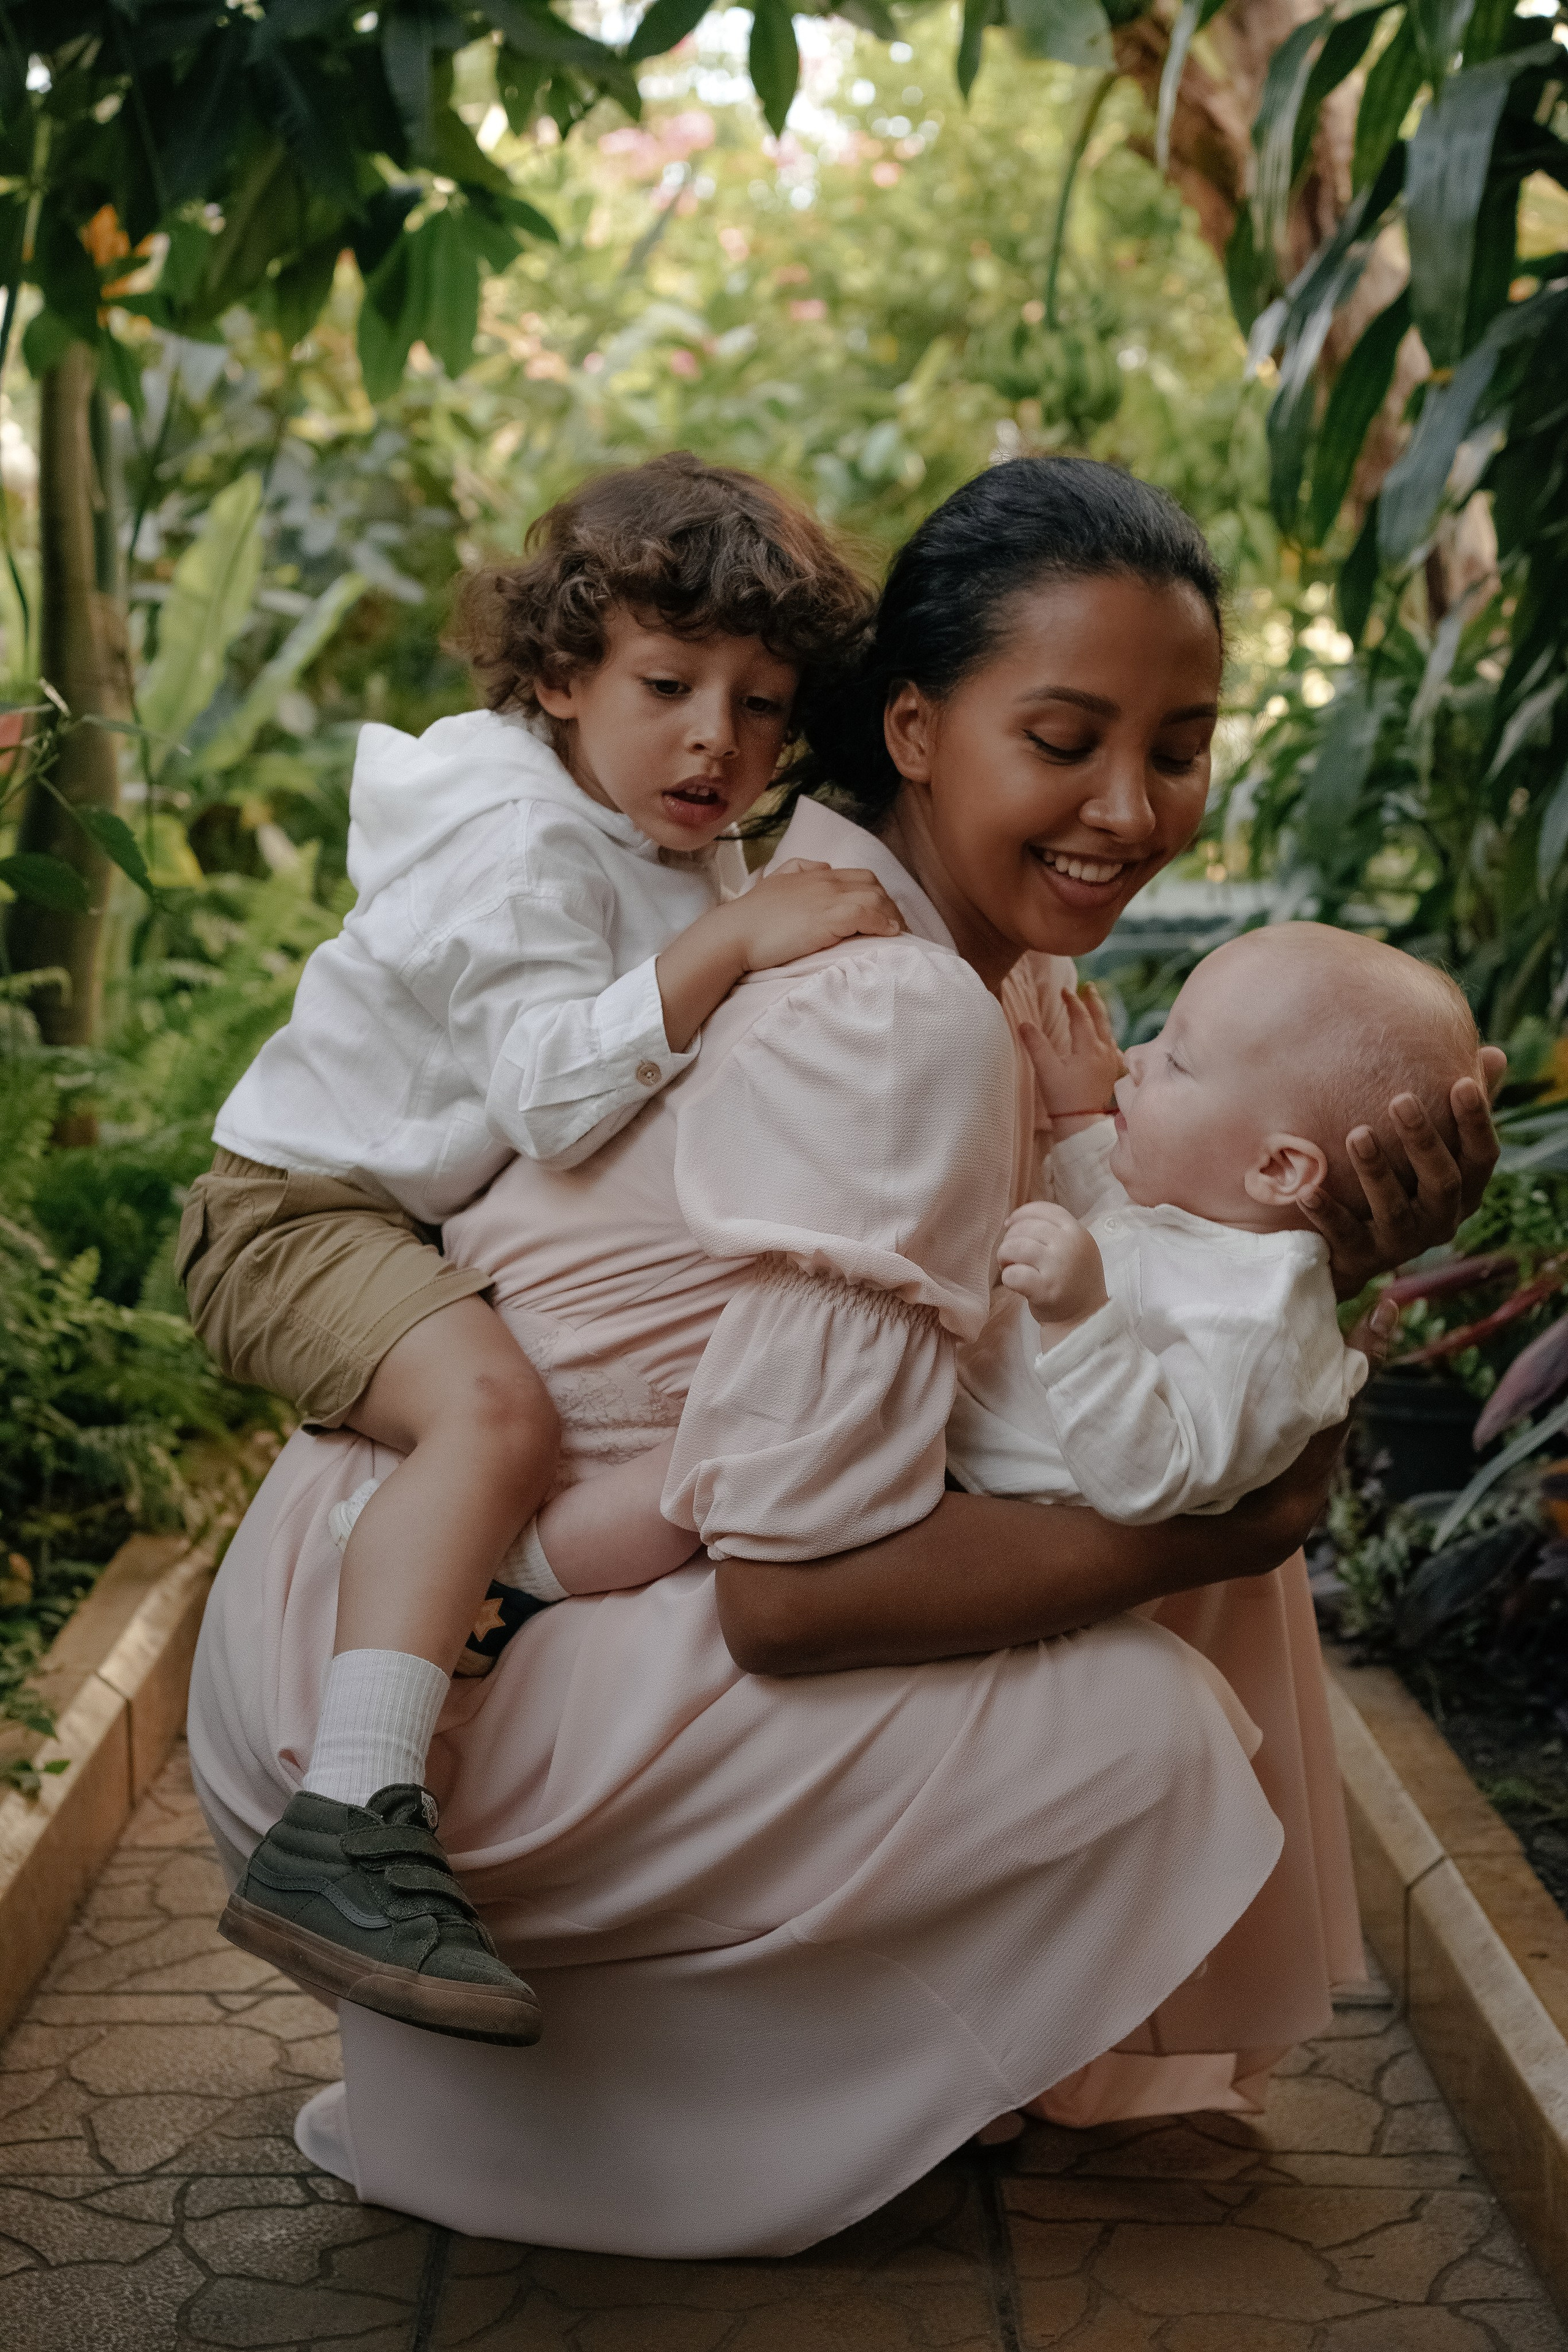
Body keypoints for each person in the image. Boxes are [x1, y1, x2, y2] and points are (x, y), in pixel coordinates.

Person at [187, 456, 1502, 2258]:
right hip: (431, 1667)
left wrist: (1305, 1256)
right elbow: (789, 1597)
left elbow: (1107, 1367)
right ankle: (609, 2134)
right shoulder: (889, 1010)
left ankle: (950, 2051)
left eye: (1178, 748)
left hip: (484, 1578)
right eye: (1062, 736)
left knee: (1163, 1451)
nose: (1132, 806)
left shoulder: (948, 964)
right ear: (909, 722)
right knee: (1153, 1722)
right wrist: (1231, 1526)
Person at [176, 454, 900, 2045]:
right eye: (670, 682)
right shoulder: (511, 836)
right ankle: (349, 1822)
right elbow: (549, 1096)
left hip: (413, 1215)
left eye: (764, 702)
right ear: (565, 673)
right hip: (298, 1213)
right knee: (495, 1417)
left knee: (586, 1434)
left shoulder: (651, 827)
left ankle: (497, 1596)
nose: (718, 736)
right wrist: (736, 939)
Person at [948, 925, 1488, 1519]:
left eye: (1176, 1061)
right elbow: (1124, 1214)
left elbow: (1150, 1479)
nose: (1135, 1056)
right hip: (952, 1456)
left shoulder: (1258, 1332)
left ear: (1278, 1167)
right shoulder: (1207, 1216)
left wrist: (1078, 1321)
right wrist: (1081, 1121)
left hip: (1018, 1538)